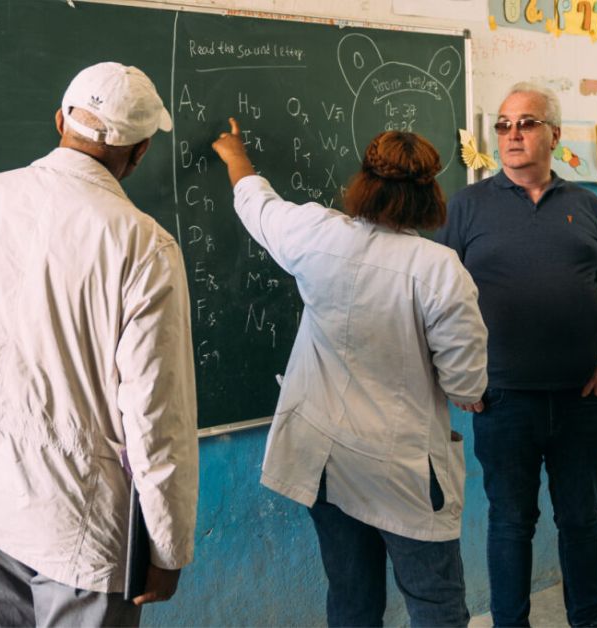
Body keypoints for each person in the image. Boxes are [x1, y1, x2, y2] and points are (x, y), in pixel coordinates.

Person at [213, 119, 488, 627]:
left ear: (363, 182)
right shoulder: (440, 269)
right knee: (435, 603)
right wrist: (466, 393)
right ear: (430, 194)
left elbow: (257, 204)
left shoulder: (317, 234)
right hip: (404, 468)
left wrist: (235, 157)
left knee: (352, 600)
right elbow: (465, 383)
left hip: (328, 461)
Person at [0, 62, 198, 626]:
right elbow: (157, 417)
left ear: (60, 120)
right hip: (75, 522)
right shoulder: (144, 247)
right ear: (138, 153)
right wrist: (167, 546)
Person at [435, 82, 597, 628]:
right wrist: (457, 377)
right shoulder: (468, 205)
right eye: (503, 124)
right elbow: (436, 295)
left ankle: (589, 622)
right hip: (502, 398)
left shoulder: (586, 204)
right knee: (510, 523)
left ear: (554, 135)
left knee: (582, 520)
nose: (512, 134)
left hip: (583, 396)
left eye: (526, 123)